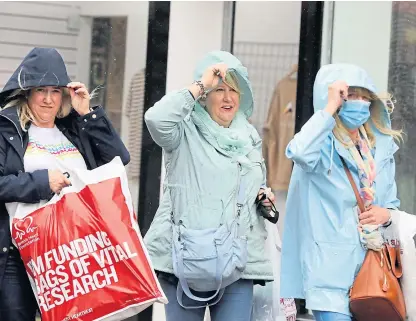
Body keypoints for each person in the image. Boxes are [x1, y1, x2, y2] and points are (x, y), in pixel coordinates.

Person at [144, 51, 275, 321]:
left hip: (239, 261)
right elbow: (156, 119)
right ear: (205, 96)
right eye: (219, 90)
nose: (228, 98)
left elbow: (247, 184)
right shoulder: (183, 130)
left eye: (234, 91)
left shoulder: (248, 136)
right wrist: (201, 83)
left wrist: (262, 197)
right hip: (187, 258)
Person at [0, 47, 129, 320]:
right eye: (40, 90)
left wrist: (88, 114)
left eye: (55, 91)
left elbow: (117, 159)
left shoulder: (72, 126)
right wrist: (41, 182)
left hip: (73, 252)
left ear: (64, 94)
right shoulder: (6, 128)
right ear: (27, 93)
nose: (48, 100)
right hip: (18, 254)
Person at [280, 63, 402, 321]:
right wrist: (329, 107)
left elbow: (391, 203)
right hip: (329, 273)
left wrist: (386, 214)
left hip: (374, 272)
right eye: (350, 96)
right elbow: (298, 151)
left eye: (364, 96)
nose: (358, 103)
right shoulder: (321, 145)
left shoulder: (379, 150)